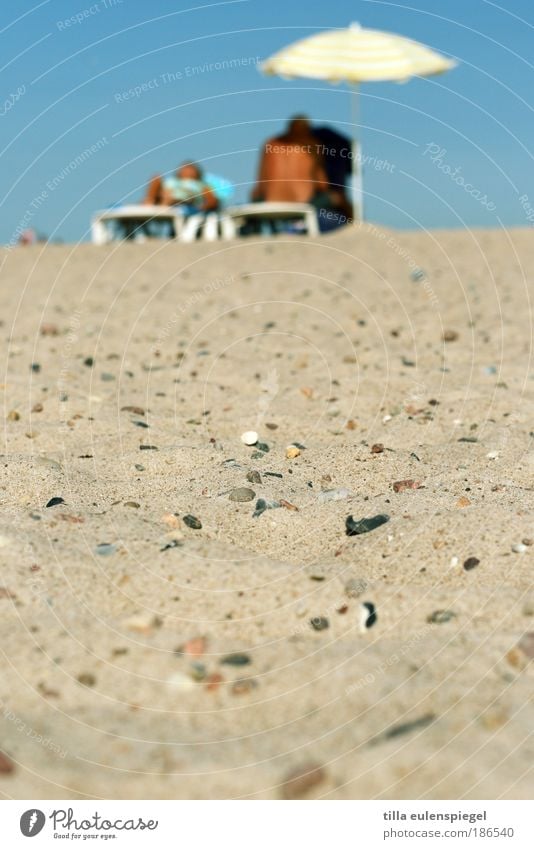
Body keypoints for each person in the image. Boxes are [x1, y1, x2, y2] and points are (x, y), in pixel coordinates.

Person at [251, 116, 350, 231]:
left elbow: (259, 186)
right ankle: (354, 225)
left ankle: (275, 228)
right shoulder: (312, 144)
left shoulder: (271, 143)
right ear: (308, 129)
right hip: (303, 203)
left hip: (270, 202)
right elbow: (322, 184)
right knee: (336, 198)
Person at [143, 162, 218, 214]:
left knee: (175, 197)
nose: (187, 171)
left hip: (186, 203)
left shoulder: (201, 185)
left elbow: (212, 201)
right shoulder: (173, 181)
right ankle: (150, 202)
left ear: (197, 172)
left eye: (190, 169)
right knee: (156, 177)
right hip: (164, 197)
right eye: (185, 168)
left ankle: (166, 203)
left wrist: (200, 208)